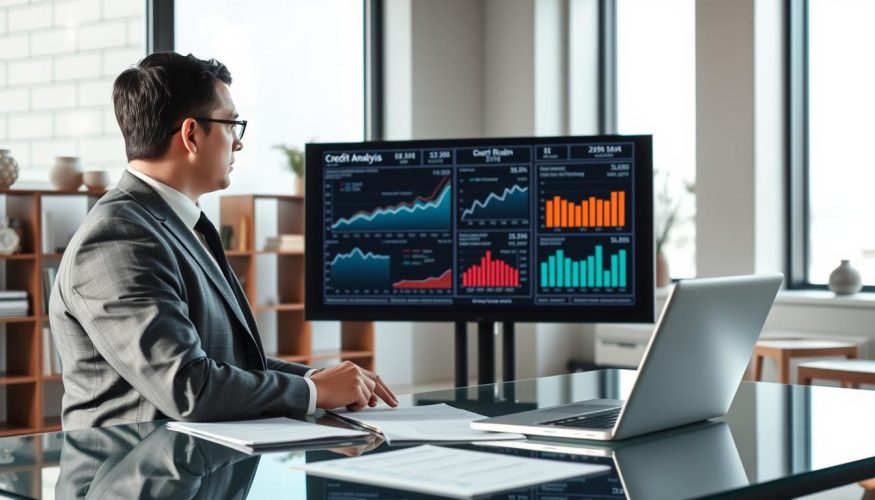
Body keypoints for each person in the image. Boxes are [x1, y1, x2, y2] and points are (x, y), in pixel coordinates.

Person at [49, 52, 397, 430]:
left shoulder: (174, 224)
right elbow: (188, 386)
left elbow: (228, 364)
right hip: (134, 464)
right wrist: (313, 392)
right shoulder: (118, 238)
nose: (238, 143)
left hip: (195, 458)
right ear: (191, 135)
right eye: (231, 125)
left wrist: (318, 379)